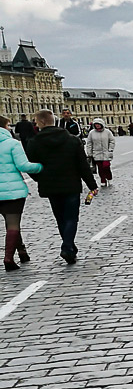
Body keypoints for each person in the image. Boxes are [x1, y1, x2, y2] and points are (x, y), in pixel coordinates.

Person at [26, 109, 98, 264]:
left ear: (42, 122)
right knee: (71, 218)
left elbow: (31, 167)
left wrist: (40, 178)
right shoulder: (72, 140)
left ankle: (69, 247)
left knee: (60, 218)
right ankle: (67, 247)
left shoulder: (34, 142)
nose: (35, 124)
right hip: (71, 184)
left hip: (50, 186)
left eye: (36, 121)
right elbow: (83, 165)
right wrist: (92, 185)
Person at [0, 115, 42, 270]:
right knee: (12, 224)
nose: (10, 128)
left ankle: (22, 251)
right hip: (12, 192)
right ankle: (8, 258)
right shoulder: (12, 144)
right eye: (8, 125)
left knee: (12, 224)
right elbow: (23, 166)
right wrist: (40, 167)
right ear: (4, 127)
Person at [85, 118, 115, 188]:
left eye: (98, 124)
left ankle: (109, 177)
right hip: (96, 153)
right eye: (96, 125)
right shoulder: (92, 133)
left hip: (106, 152)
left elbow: (112, 141)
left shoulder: (107, 132)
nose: (97, 126)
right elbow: (89, 143)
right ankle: (103, 180)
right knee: (100, 168)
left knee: (106, 166)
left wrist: (110, 149)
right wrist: (89, 153)